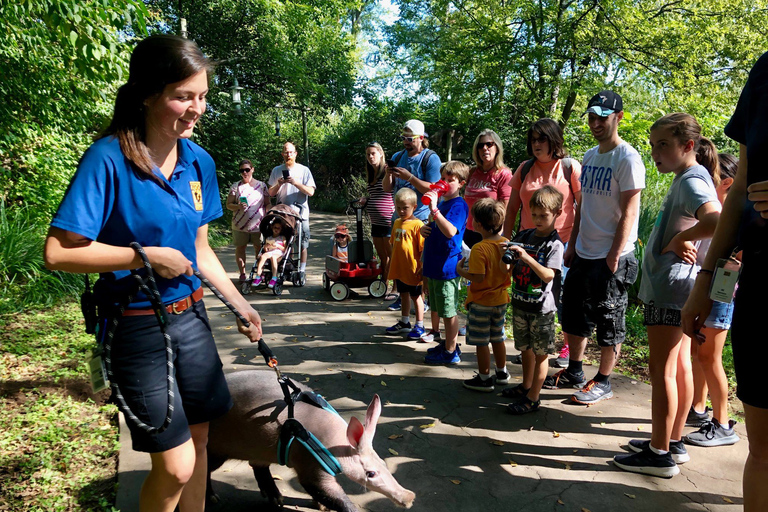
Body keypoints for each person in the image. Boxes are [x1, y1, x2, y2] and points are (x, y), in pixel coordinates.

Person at [43, 35, 262, 512]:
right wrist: (142, 256)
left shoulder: (199, 160)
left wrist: (241, 303)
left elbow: (201, 250)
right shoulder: (108, 158)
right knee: (177, 464)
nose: (196, 109)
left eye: (203, 96)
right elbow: (58, 253)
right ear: (146, 93)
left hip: (193, 320)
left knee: (202, 440)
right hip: (136, 326)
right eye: (183, 96)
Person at [682, 51, 768, 512]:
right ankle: (717, 418)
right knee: (763, 454)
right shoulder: (764, 73)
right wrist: (705, 280)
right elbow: (740, 192)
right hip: (755, 287)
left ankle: (717, 417)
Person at [613, 113, 722, 478]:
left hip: (671, 289)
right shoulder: (687, 177)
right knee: (676, 366)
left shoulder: (692, 180)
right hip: (672, 287)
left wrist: (681, 240)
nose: (655, 152)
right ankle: (671, 441)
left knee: (661, 371)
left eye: (663, 144)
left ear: (687, 145)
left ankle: (659, 453)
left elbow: (716, 219)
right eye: (652, 144)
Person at [544, 91, 644, 405]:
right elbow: (584, 206)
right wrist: (573, 243)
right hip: (583, 250)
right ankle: (575, 370)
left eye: (603, 116)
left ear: (619, 117)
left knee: (609, 319)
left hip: (612, 255)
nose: (596, 123)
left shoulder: (627, 157)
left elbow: (630, 209)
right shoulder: (589, 156)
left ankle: (603, 380)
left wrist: (614, 254)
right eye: (592, 117)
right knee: (573, 313)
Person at [504, 118, 582, 368]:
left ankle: (567, 349)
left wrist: (574, 244)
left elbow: (582, 208)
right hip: (527, 245)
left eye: (542, 139)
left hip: (562, 244)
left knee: (561, 299)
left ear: (554, 140)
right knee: (531, 296)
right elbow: (513, 207)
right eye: (533, 139)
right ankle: (531, 347)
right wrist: (506, 241)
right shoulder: (525, 168)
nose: (536, 144)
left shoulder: (570, 168)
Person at [684, 153, 740, 447]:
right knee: (698, 353)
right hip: (703, 291)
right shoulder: (714, 209)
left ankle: (722, 423)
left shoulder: (732, 214)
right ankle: (699, 409)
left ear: (727, 183)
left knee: (710, 357)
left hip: (720, 295)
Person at [500, 186, 564, 413]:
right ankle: (526, 386)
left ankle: (534, 398)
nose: (537, 220)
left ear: (557, 212)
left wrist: (526, 257)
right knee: (524, 349)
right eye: (534, 214)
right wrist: (506, 255)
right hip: (520, 303)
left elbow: (548, 275)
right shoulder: (524, 236)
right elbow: (509, 266)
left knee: (540, 354)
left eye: (543, 215)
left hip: (541, 310)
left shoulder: (554, 245)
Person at [382, 119, 442, 311]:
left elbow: (434, 189)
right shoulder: (398, 156)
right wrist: (388, 174)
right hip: (399, 218)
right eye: (404, 138)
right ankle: (403, 296)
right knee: (400, 258)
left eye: (410, 138)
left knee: (418, 260)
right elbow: (386, 188)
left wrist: (410, 177)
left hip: (421, 218)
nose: (406, 142)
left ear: (421, 138)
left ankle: (421, 299)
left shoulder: (430, 158)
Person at [455, 199, 511, 386]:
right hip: (501, 300)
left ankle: (484, 378)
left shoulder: (479, 248)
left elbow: (478, 277)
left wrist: (461, 271)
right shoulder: (506, 244)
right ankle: (502, 372)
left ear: (478, 225)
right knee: (498, 338)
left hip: (481, 302)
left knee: (482, 342)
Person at [418, 161, 469, 360]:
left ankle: (450, 351)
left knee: (449, 311)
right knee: (439, 307)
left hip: (447, 266)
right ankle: (447, 344)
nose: (445, 183)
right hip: (435, 264)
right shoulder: (442, 203)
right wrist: (425, 228)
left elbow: (450, 231)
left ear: (461, 184)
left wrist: (435, 210)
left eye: (451, 180)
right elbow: (436, 226)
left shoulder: (458, 205)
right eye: (443, 179)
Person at [268, 142, 316, 279]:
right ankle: (287, 266)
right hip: (283, 213)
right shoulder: (276, 170)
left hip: (301, 214)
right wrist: (280, 183)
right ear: (282, 154)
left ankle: (301, 270)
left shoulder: (304, 170)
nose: (288, 154)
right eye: (286, 152)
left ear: (295, 154)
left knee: (302, 243)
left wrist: (296, 183)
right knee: (285, 241)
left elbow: (311, 191)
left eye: (291, 152)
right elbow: (271, 193)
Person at [385, 188, 426, 340]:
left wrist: (422, 267)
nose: (401, 211)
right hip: (399, 269)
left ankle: (420, 325)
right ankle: (405, 322)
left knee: (416, 297)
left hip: (413, 269)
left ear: (414, 207)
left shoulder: (418, 225)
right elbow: (393, 244)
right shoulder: (396, 223)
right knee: (403, 295)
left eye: (405, 208)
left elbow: (422, 249)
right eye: (398, 208)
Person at [464, 130, 512, 248]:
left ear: (497, 147)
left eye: (489, 144)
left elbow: (504, 209)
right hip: (467, 231)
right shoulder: (472, 172)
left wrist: (498, 236)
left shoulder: (504, 174)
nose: (484, 148)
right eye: (480, 146)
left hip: (488, 233)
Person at [226, 159, 268, 282]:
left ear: (252, 169)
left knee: (259, 249)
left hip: (258, 225)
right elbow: (228, 204)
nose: (245, 172)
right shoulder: (236, 186)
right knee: (240, 248)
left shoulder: (261, 186)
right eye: (242, 170)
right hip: (239, 225)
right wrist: (238, 206)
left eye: (247, 170)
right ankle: (242, 274)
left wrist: (269, 215)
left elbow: (267, 203)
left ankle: (259, 274)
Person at [363, 142, 395, 299]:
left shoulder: (387, 171)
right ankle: (383, 284)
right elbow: (375, 195)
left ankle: (396, 288)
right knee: (383, 257)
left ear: (381, 154)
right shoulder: (371, 173)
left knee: (393, 255)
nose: (370, 157)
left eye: (373, 153)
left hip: (389, 220)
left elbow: (390, 191)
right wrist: (366, 199)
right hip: (375, 222)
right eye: (368, 154)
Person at [253, 219, 287, 289]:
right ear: (272, 228)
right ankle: (258, 276)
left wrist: (278, 246)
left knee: (273, 257)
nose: (276, 229)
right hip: (270, 251)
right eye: (275, 227)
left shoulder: (282, 238)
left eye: (278, 228)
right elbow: (265, 249)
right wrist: (267, 246)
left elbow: (285, 249)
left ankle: (274, 277)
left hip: (278, 252)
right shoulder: (269, 238)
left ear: (281, 229)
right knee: (263, 256)